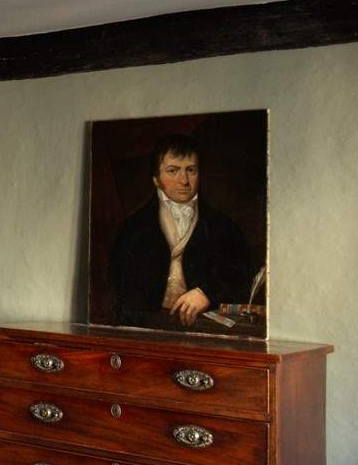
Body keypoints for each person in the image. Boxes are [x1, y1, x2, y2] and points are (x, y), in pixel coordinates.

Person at [108, 133, 254, 329]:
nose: (184, 180)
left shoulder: (222, 226)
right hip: (148, 327)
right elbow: (120, 287)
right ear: (156, 179)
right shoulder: (133, 227)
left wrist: (206, 293)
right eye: (173, 171)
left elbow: (242, 277)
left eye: (191, 170)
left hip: (204, 326)